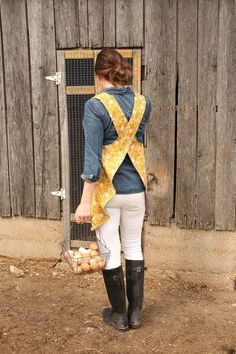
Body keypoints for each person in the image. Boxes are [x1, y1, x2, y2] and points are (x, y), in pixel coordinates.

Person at [74, 48, 151, 331]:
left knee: (110, 249)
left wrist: (85, 202)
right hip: (136, 190)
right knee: (133, 246)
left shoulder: (95, 106)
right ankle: (136, 314)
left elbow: (92, 158)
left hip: (108, 192)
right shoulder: (144, 103)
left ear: (98, 76)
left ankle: (119, 314)